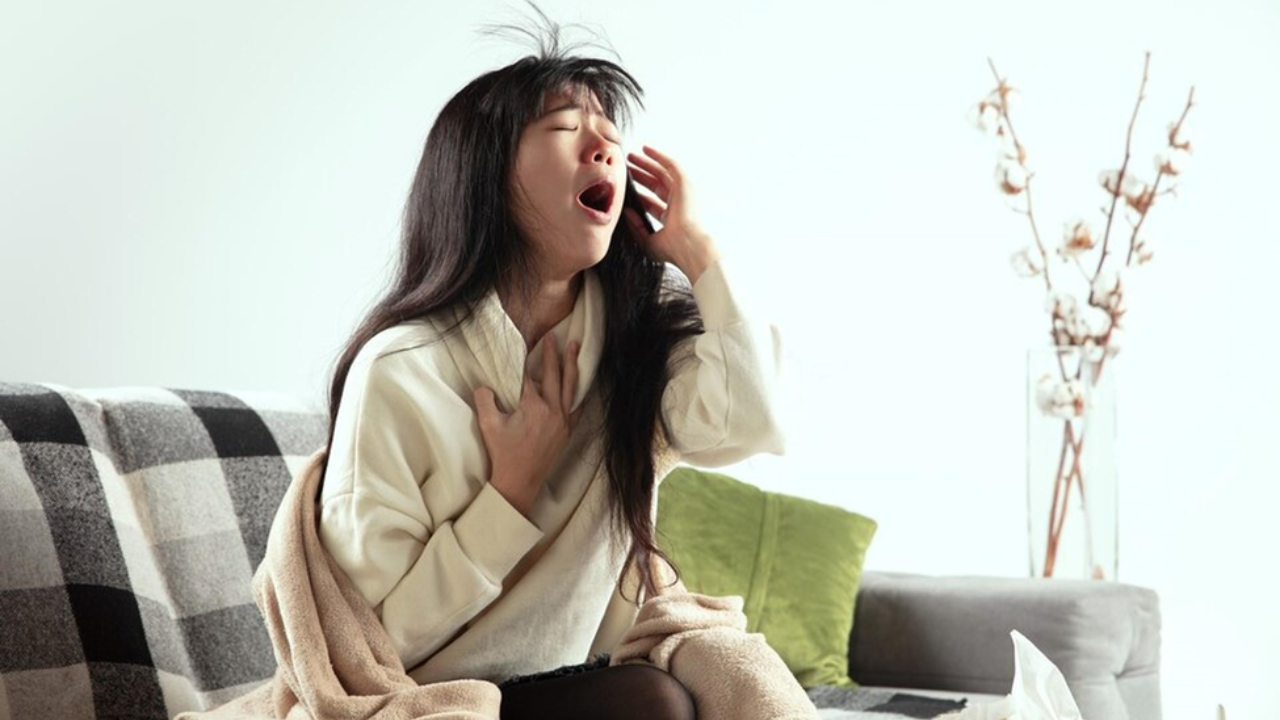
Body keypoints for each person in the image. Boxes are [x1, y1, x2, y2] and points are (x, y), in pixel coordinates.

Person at [314, 8, 787, 719]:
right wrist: (509, 494)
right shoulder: (402, 372)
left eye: (612, 137)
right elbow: (372, 645)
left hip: (577, 682)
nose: (604, 149)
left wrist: (699, 253)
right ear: (486, 176)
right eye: (566, 129)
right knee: (651, 703)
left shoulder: (630, 348)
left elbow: (753, 423)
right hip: (435, 700)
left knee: (700, 680)